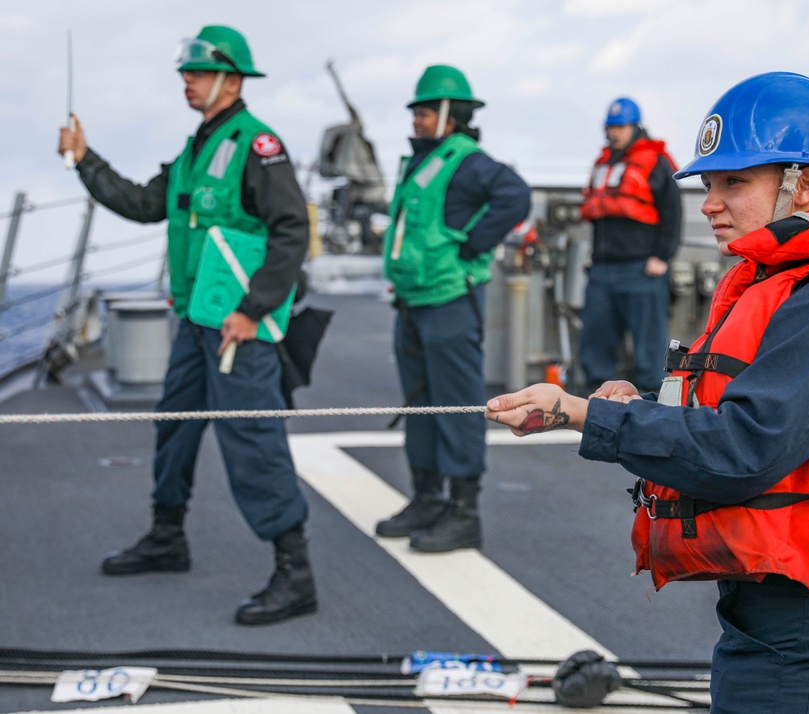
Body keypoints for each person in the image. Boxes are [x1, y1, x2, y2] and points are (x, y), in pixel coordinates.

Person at [486, 72, 809, 712]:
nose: (709, 202)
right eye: (709, 184)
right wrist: (636, 410)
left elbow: (743, 449)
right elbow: (758, 414)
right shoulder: (795, 286)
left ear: (805, 185)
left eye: (735, 182)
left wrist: (581, 414)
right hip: (782, 616)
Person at [57, 25, 316, 626]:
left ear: (231, 79)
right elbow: (144, 203)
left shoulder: (258, 146)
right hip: (198, 322)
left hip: (236, 330)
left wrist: (252, 312)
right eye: (185, 72)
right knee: (173, 427)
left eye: (196, 72)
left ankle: (295, 572)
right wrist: (84, 159)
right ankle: (167, 536)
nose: (186, 81)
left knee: (253, 440)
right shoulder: (197, 150)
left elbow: (291, 232)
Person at [376, 65, 531, 553]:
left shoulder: (466, 161)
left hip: (449, 302)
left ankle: (464, 511)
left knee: (457, 405)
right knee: (421, 403)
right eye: (417, 112)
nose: (416, 120)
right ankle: (426, 496)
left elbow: (516, 196)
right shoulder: (424, 160)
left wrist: (471, 248)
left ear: (449, 114)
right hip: (414, 303)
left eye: (424, 111)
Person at [578, 97, 683, 393]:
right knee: (596, 336)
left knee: (649, 341)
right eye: (610, 127)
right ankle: (598, 393)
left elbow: (672, 212)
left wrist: (662, 255)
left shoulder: (656, 162)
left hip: (642, 268)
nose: (614, 133)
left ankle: (654, 396)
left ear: (635, 127)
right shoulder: (603, 163)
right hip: (603, 269)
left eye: (620, 126)